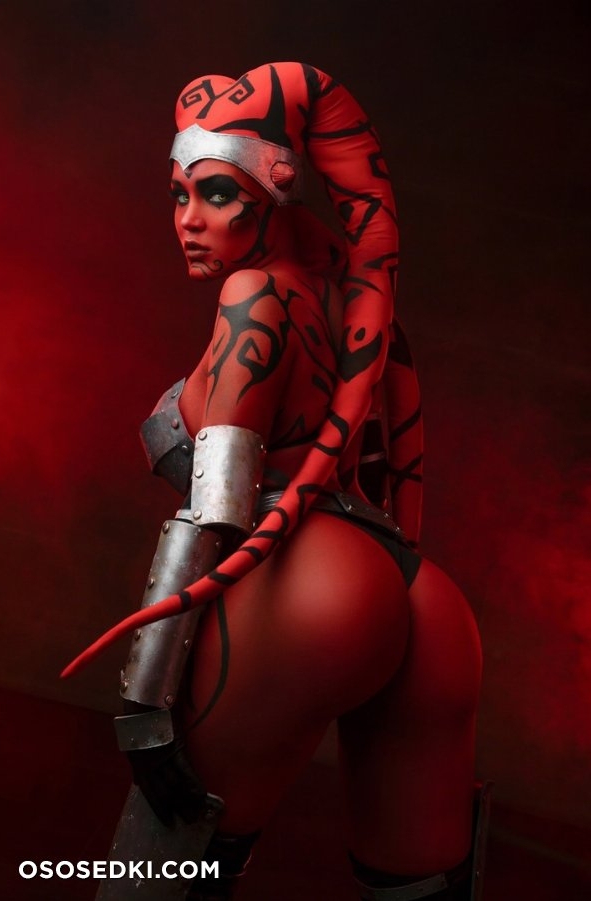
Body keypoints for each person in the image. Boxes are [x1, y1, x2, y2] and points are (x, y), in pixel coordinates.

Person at [64, 62, 483, 900]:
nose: (189, 219)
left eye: (217, 194)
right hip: (418, 595)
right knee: (420, 882)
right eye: (180, 194)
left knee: (165, 869)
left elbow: (213, 510)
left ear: (274, 192)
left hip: (305, 578)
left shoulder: (253, 295)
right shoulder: (346, 296)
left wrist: (147, 706)